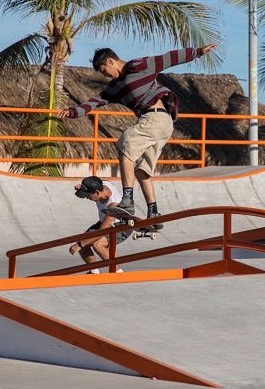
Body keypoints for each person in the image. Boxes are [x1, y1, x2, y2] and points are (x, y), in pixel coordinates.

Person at [58, 44, 217, 227]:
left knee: (125, 148)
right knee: (142, 171)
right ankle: (153, 213)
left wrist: (197, 52)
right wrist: (73, 111)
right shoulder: (114, 88)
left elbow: (168, 58)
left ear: (110, 61)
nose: (106, 76)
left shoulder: (139, 66)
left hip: (155, 118)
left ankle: (127, 201)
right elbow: (94, 102)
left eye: (104, 71)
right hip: (160, 125)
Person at [69, 176, 131, 274]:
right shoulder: (104, 184)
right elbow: (95, 181)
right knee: (82, 240)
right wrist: (84, 187)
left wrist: (80, 245)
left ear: (97, 192)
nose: (87, 198)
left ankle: (119, 273)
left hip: (121, 226)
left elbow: (102, 231)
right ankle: (94, 273)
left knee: (98, 244)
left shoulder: (114, 205)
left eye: (88, 195)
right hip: (104, 221)